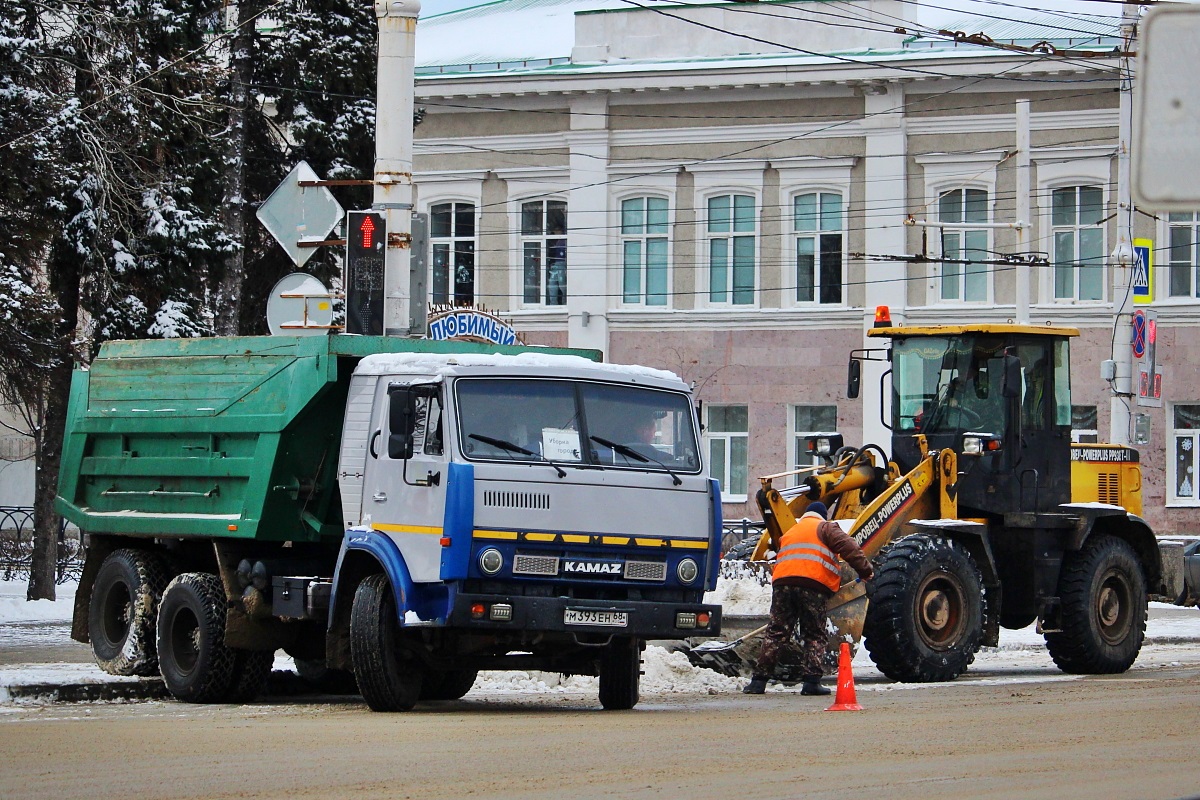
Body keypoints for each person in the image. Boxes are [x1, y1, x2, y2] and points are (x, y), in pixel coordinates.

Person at [743, 501, 874, 696]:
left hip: (782, 585)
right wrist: (866, 572)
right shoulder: (826, 527)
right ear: (823, 516)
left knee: (776, 632)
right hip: (811, 586)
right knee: (813, 633)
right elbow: (850, 549)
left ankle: (758, 682)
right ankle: (811, 682)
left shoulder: (791, 532)